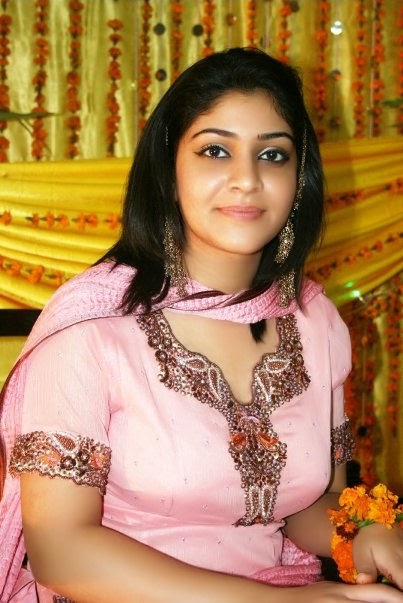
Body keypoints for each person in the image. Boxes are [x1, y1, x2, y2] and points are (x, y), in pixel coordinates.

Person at [0, 47, 402, 603]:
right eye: (216, 151)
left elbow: (306, 505)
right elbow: (60, 551)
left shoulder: (315, 321)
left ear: (299, 178)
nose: (247, 180)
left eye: (273, 155)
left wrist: (367, 534)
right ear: (168, 170)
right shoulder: (90, 329)